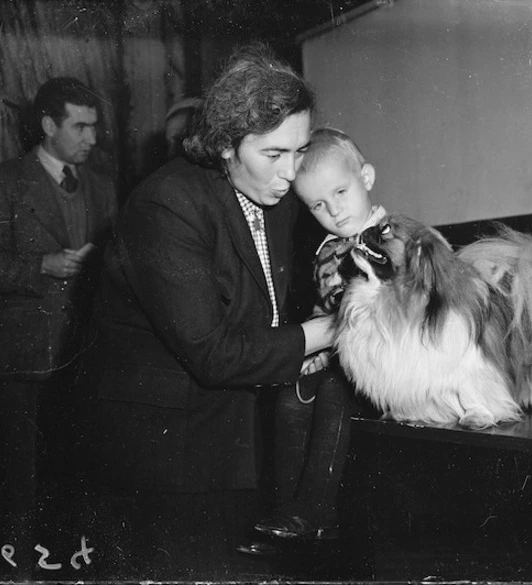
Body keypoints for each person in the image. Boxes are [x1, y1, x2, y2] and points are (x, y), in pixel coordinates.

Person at [83, 42, 334, 581]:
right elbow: (213, 353)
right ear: (224, 143)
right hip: (167, 456)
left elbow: (261, 308)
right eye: (273, 154)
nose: (292, 173)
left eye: (300, 151)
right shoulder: (167, 204)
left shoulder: (273, 193)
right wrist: (323, 332)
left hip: (236, 441)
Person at [0, 76, 117, 576]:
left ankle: (75, 566)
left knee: (78, 473)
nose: (91, 138)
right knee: (18, 477)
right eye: (80, 126)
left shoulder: (105, 186)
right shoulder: (2, 180)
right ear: (47, 125)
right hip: (21, 355)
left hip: (85, 356)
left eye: (94, 127)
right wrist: (42, 264)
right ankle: (14, 568)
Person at [252, 127, 386, 544]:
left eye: (341, 193)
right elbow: (322, 312)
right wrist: (308, 354)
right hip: (340, 357)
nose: (335, 211)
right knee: (292, 396)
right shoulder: (328, 250)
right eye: (319, 205)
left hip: (385, 364)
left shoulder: (392, 239)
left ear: (366, 177)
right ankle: (287, 508)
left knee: (333, 391)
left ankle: (316, 508)